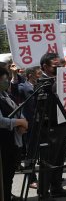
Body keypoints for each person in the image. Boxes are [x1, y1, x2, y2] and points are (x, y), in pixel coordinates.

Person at [37, 53, 66, 197]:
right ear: (45, 67)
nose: (59, 68)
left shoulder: (60, 79)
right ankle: (43, 192)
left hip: (63, 124)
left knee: (60, 158)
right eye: (56, 66)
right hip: (50, 127)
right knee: (48, 161)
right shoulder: (42, 82)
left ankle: (56, 187)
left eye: (60, 65)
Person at [0, 66, 28, 201]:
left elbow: (17, 109)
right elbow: (1, 121)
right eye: (4, 79)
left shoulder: (5, 94)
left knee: (9, 173)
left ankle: (8, 194)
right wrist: (19, 122)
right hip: (3, 143)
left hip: (12, 140)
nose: (6, 82)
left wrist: (22, 121)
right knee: (4, 174)